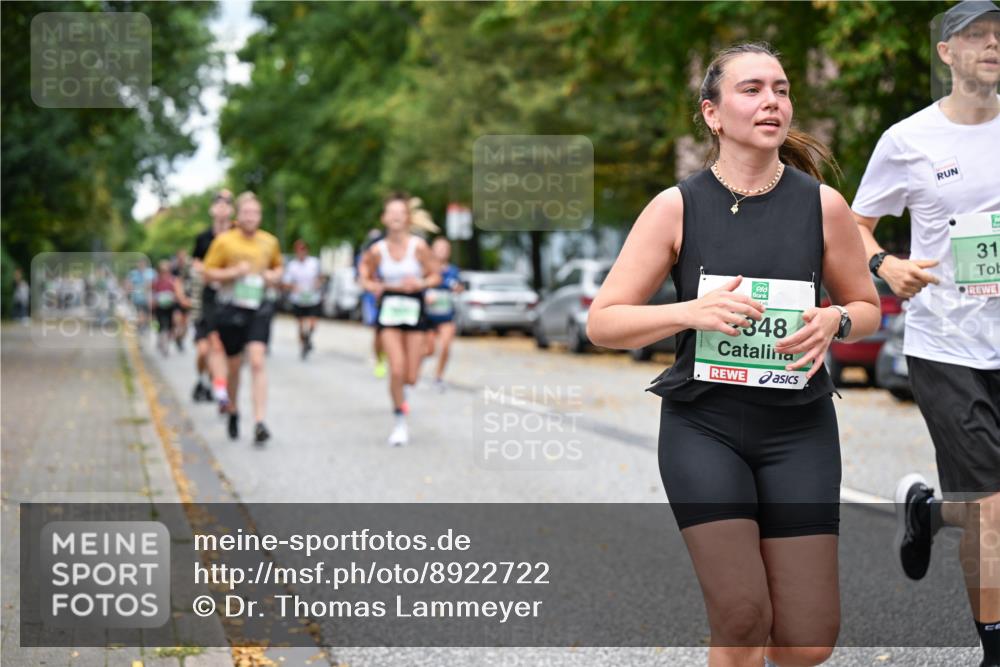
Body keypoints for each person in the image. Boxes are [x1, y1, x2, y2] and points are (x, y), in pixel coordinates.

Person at [587, 42, 880, 667]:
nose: (771, 100)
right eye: (751, 89)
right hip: (705, 428)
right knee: (743, 617)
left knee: (808, 640)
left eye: (780, 88)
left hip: (799, 429)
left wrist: (836, 319)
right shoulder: (676, 206)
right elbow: (603, 323)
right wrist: (687, 312)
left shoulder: (823, 206)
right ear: (713, 114)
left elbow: (867, 308)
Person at [851, 3, 1000, 665]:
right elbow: (853, 227)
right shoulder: (907, 139)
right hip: (947, 343)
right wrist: (885, 264)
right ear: (946, 53)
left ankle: (927, 512)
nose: (993, 45)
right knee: (992, 505)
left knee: (989, 506)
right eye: (976, 36)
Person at [358, 193, 441, 446]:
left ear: (407, 218)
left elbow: (436, 275)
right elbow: (364, 275)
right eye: (391, 212)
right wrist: (373, 285)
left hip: (414, 308)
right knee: (396, 368)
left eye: (400, 212)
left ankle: (403, 392)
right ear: (384, 218)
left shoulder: (419, 247)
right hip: (390, 311)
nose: (395, 216)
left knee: (411, 376)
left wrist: (421, 283)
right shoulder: (377, 250)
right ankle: (399, 422)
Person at [202, 191, 283, 444]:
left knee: (257, 361)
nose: (251, 217)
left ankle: (260, 422)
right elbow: (207, 274)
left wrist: (274, 276)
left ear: (260, 216)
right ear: (239, 215)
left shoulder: (269, 241)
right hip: (231, 309)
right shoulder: (225, 241)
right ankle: (234, 409)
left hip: (258, 307)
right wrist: (233, 272)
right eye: (246, 212)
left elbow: (278, 267)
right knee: (234, 366)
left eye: (255, 213)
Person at [191, 190, 234, 404]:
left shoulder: (237, 235)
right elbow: (196, 263)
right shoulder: (203, 238)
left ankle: (219, 388)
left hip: (229, 297)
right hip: (206, 296)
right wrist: (210, 271)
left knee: (220, 348)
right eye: (219, 203)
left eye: (227, 203)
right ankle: (205, 381)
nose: (222, 207)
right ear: (212, 209)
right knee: (204, 349)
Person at [423, 237, 464, 391]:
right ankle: (414, 366)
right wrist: (425, 295)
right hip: (428, 316)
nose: (442, 251)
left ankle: (438, 377)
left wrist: (457, 288)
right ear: (432, 251)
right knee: (429, 350)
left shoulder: (453, 270)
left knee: (446, 346)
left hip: (446, 315)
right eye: (439, 248)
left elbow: (460, 287)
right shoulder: (426, 269)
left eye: (445, 249)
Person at [283, 239, 323, 360]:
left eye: (303, 249)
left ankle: (308, 338)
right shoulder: (292, 265)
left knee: (313, 323)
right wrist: (293, 287)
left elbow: (321, 277)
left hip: (312, 297)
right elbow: (286, 282)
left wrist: (318, 283)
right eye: (298, 250)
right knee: (300, 324)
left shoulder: (314, 263)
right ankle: (303, 346)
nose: (301, 252)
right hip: (298, 298)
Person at [358, 228, 387, 377]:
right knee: (378, 330)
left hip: (391, 299)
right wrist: (372, 286)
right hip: (374, 299)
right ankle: (380, 359)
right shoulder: (367, 257)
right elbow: (362, 278)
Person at [151, 259, 182, 357]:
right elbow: (152, 293)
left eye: (166, 270)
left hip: (171, 306)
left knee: (172, 325)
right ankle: (161, 339)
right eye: (162, 271)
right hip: (159, 306)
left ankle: (168, 340)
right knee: (160, 325)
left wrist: (176, 297)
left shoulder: (173, 280)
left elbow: (178, 292)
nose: (164, 273)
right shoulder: (156, 281)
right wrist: (153, 303)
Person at [170, 248, 193, 351]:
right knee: (177, 320)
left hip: (188, 299)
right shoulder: (174, 269)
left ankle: (180, 339)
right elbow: (171, 283)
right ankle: (175, 334)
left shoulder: (190, 269)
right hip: (177, 299)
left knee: (185, 323)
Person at [126, 258, 155, 335]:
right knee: (140, 314)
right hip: (138, 299)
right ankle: (141, 328)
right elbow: (129, 285)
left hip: (149, 298)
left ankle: (145, 327)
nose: (141, 266)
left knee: (148, 315)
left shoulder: (151, 272)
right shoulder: (133, 273)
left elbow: (154, 284)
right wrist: (129, 295)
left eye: (142, 264)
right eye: (139, 264)